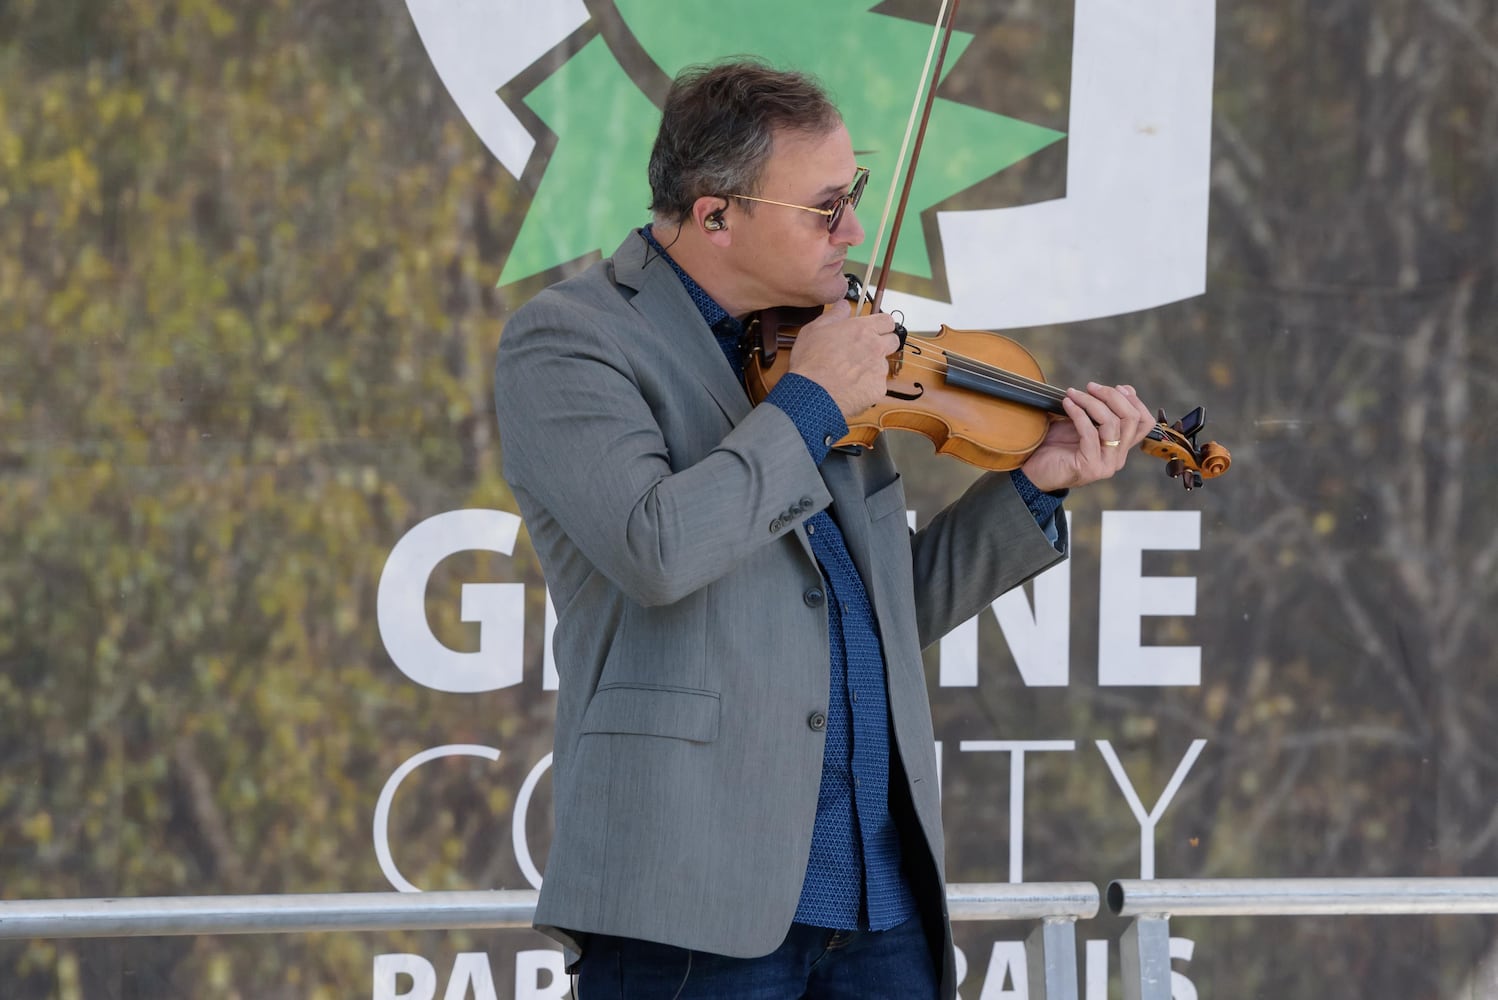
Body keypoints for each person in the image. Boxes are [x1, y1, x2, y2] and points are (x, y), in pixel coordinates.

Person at [492, 59, 1154, 1000]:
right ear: (716, 215)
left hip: (882, 906)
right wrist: (808, 403)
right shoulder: (573, 341)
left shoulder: (825, 340)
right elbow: (656, 547)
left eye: (855, 197)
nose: (854, 231)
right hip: (693, 905)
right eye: (825, 207)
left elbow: (882, 614)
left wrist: (1035, 488)